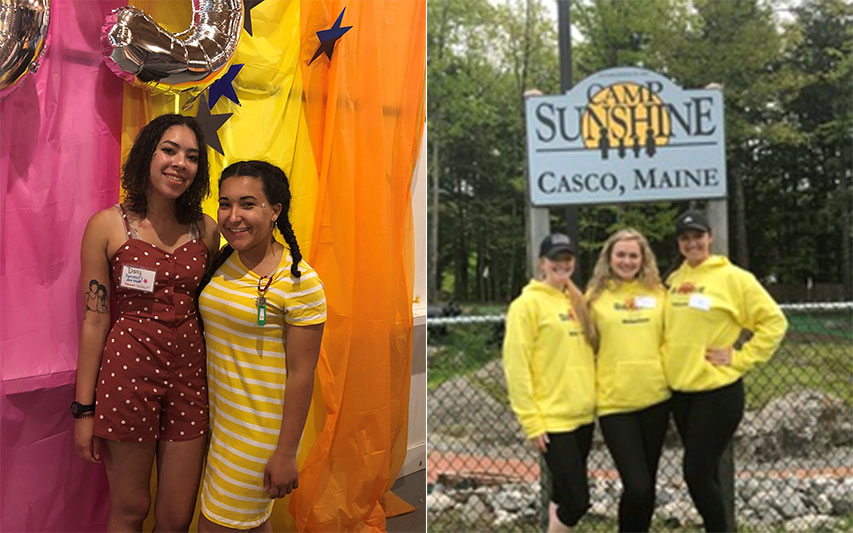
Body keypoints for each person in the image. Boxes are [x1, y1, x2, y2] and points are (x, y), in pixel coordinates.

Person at [73, 114, 219, 531]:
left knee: (176, 517)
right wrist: (83, 410)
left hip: (191, 380)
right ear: (147, 156)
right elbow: (94, 320)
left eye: (192, 157)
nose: (180, 163)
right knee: (131, 509)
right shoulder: (107, 225)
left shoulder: (206, 230)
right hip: (128, 376)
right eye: (169, 150)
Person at [196, 160, 326, 532]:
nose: (233, 216)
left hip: (258, 433)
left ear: (275, 211)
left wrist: (285, 453)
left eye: (248, 204)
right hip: (220, 423)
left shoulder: (300, 282)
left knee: (218, 525)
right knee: (250, 525)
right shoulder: (223, 262)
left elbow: (303, 375)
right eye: (225, 204)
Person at [663, 210, 788, 532]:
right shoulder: (674, 281)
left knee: (695, 472)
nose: (692, 243)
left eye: (698, 236)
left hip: (717, 392)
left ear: (710, 237)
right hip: (681, 392)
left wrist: (741, 357)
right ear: (679, 243)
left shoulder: (734, 278)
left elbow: (774, 322)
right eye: (685, 238)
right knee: (707, 472)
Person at [502, 233, 597, 532]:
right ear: (542, 263)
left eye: (567, 258)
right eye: (555, 258)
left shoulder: (578, 301)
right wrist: (531, 420)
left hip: (583, 415)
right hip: (553, 420)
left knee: (561, 492)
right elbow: (516, 366)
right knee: (578, 501)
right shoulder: (526, 305)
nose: (561, 264)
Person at [586, 228, 670, 532]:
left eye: (633, 255)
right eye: (620, 254)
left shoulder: (659, 293)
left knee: (648, 485)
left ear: (643, 258)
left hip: (656, 398)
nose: (626, 260)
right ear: (609, 257)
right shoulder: (594, 298)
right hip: (615, 403)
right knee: (636, 485)